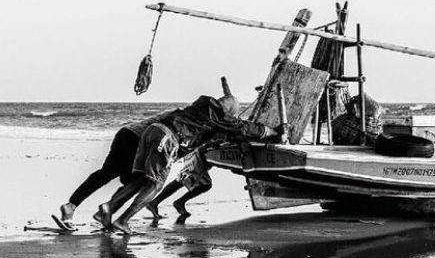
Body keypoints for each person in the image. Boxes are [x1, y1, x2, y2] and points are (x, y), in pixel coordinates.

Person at [99, 85, 280, 235]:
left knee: (141, 179)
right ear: (229, 112)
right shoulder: (221, 117)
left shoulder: (202, 103)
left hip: (152, 130)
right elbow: (245, 128)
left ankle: (109, 207)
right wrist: (272, 132)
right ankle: (123, 221)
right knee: (155, 185)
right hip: (168, 138)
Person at [53, 109, 175, 231]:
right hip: (138, 140)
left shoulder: (177, 113)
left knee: (106, 173)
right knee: (141, 180)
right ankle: (107, 209)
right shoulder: (183, 120)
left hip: (126, 132)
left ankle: (71, 206)